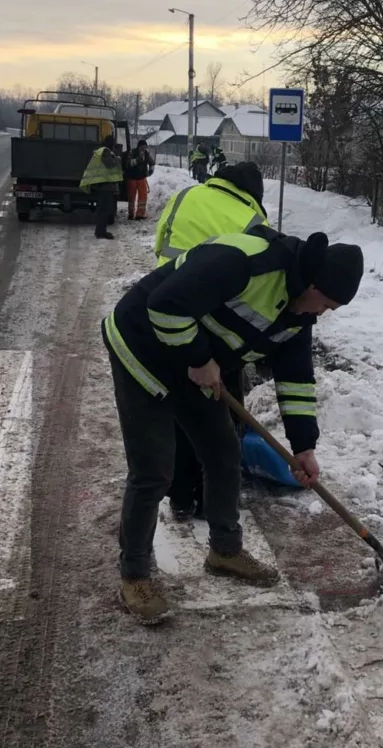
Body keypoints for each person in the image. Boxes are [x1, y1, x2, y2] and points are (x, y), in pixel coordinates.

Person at [102, 227, 364, 623]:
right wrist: (198, 357)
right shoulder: (247, 261)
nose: (322, 313)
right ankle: (134, 575)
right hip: (142, 348)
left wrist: (304, 446)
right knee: (154, 469)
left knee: (224, 452)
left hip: (196, 367)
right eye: (326, 304)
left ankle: (224, 551)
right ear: (313, 285)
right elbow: (165, 305)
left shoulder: (299, 313)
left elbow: (295, 379)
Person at [154, 161, 269, 518]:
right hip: (217, 330)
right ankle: (210, 499)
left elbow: (159, 244)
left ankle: (180, 496)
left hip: (166, 316)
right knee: (220, 419)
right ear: (253, 194)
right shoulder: (253, 221)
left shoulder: (184, 197)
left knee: (179, 411)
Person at [80, 133, 123, 240]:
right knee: (104, 210)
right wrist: (117, 158)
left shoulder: (102, 151)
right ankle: (100, 232)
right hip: (104, 186)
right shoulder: (105, 151)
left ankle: (101, 231)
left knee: (104, 209)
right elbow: (110, 164)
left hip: (103, 185)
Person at [123, 138, 155, 220]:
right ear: (138, 146)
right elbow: (129, 163)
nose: (143, 148)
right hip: (131, 178)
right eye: (142, 147)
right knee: (131, 197)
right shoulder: (132, 152)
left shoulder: (147, 154)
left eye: (145, 147)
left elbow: (152, 163)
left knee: (143, 197)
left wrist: (151, 170)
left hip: (141, 178)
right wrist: (138, 160)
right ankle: (131, 214)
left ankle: (140, 214)